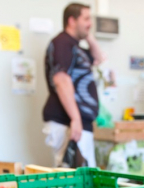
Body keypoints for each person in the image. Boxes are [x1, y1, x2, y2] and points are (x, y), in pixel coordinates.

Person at [43, 3, 105, 167]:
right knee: (72, 182)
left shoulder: (77, 47)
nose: (90, 23)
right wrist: (75, 119)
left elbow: (99, 58)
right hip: (68, 121)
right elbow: (61, 80)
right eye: (86, 19)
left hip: (78, 122)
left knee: (83, 180)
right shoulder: (62, 43)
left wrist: (88, 35)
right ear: (72, 20)